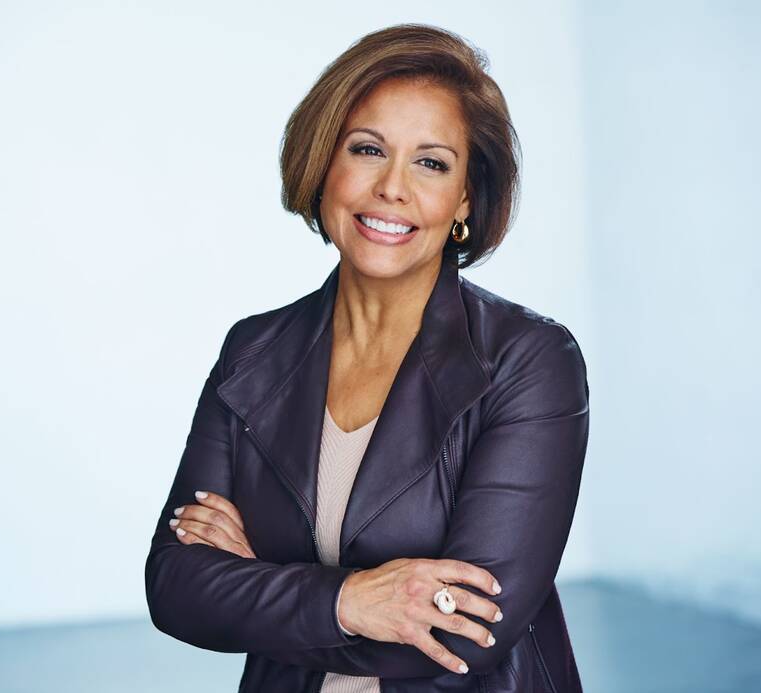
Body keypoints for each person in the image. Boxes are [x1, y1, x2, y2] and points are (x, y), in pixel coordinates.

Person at [145, 23, 590, 693]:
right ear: (325, 164)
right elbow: (175, 585)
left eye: (431, 162)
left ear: (466, 197)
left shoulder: (529, 361)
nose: (392, 186)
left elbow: (469, 629)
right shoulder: (252, 352)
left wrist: (259, 587)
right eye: (368, 149)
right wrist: (351, 601)